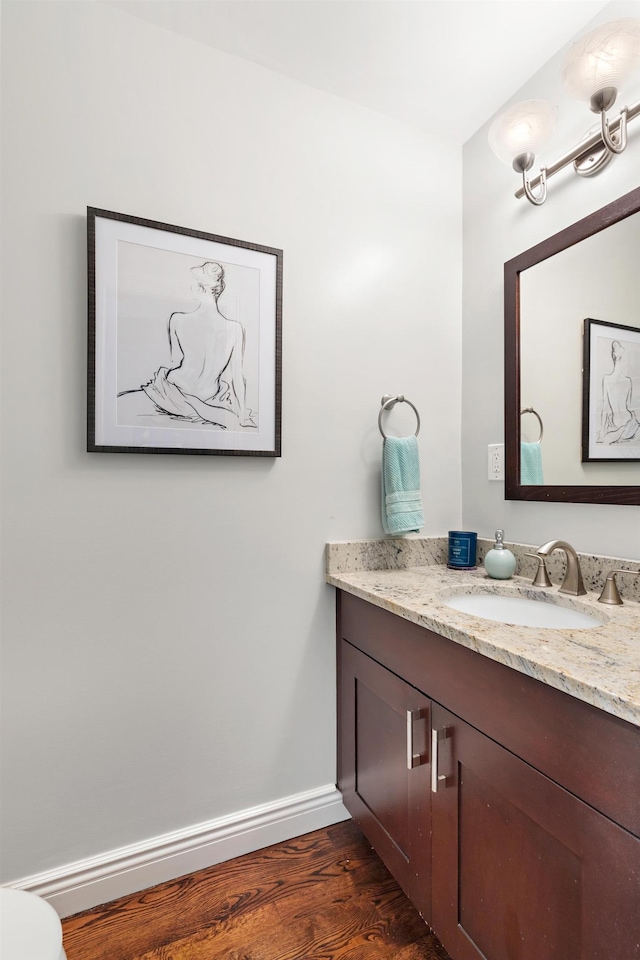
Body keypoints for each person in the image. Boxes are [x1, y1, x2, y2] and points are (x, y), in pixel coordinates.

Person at [140, 261, 256, 429]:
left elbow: (175, 361)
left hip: (176, 388)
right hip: (209, 393)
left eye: (193, 283)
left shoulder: (177, 319)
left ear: (201, 288)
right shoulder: (235, 329)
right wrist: (242, 413)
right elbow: (237, 376)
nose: (190, 287)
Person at [597, 339, 639, 445]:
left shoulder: (623, 380)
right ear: (617, 357)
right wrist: (602, 433)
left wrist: (602, 433)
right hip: (625, 423)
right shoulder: (621, 380)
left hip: (627, 422)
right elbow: (605, 408)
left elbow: (606, 408)